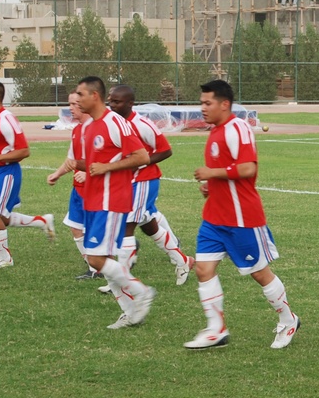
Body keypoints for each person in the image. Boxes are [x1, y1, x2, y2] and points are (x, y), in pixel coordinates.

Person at [186, 79, 299, 350]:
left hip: (242, 219)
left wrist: (212, 173)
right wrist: (210, 186)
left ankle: (288, 319)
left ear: (224, 104)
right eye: (201, 102)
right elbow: (229, 172)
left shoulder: (237, 128)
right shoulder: (215, 131)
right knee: (203, 270)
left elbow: (247, 168)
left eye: (207, 103)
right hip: (214, 218)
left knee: (259, 273)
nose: (202, 108)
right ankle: (216, 329)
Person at [73, 76, 156, 329]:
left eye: (80, 94)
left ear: (94, 96)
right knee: (103, 260)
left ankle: (140, 291)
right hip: (94, 199)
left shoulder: (115, 123)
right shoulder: (89, 127)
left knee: (96, 260)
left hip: (112, 200)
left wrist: (107, 167)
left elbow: (141, 156)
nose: (76, 99)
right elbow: (92, 163)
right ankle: (130, 311)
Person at [106, 84, 193, 285]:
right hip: (128, 182)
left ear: (130, 103)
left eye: (117, 102)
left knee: (126, 226)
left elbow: (166, 150)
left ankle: (121, 281)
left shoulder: (142, 124)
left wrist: (141, 162)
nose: (112, 105)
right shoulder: (115, 123)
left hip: (144, 180)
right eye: (110, 100)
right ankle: (183, 260)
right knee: (149, 225)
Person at [0, 80, 56, 268]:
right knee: (2, 217)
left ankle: (5, 259)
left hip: (7, 173)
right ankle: (42, 221)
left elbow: (24, 151)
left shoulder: (6, 118)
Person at [47, 91, 100, 279]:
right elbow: (72, 159)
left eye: (75, 103)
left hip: (94, 189)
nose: (70, 107)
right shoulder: (77, 130)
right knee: (75, 227)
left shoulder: (96, 128)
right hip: (77, 189)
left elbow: (106, 157)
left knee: (96, 229)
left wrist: (88, 172)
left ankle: (115, 257)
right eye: (69, 103)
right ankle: (94, 266)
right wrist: (57, 174)